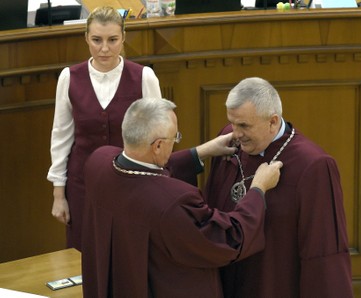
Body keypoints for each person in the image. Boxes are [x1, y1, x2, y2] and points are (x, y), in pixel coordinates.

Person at [81, 98, 283, 297]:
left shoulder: (98, 162)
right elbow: (229, 240)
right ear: (158, 146)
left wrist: (199, 153)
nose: (176, 143)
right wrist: (258, 189)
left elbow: (143, 170)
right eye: (174, 138)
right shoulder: (173, 203)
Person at [204, 77, 354, 297]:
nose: (235, 134)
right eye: (232, 123)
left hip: (274, 283)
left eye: (244, 125)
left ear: (273, 121)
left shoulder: (314, 167)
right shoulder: (229, 144)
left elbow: (324, 255)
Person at [46, 6, 162, 250]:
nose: (104, 48)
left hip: (132, 185)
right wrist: (59, 195)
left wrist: (156, 187)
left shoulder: (144, 77)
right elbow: (61, 138)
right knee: (83, 254)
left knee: (128, 253)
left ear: (123, 38)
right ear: (86, 38)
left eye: (112, 40)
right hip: (82, 185)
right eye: (97, 40)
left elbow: (159, 136)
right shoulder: (69, 77)